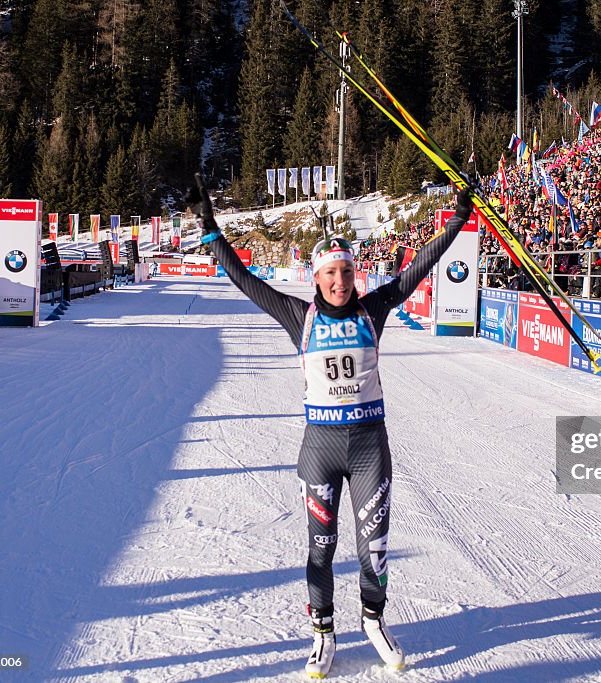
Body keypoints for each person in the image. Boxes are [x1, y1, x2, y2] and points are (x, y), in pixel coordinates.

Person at [186, 174, 473, 677]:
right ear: (316, 279)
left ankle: (373, 620)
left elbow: (422, 263)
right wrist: (213, 233)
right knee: (321, 547)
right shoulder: (299, 316)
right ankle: (322, 630)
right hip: (320, 449)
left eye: (346, 271)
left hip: (368, 450)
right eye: (330, 274)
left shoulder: (374, 308)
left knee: (375, 548)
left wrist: (457, 219)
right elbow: (246, 282)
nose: (340, 281)